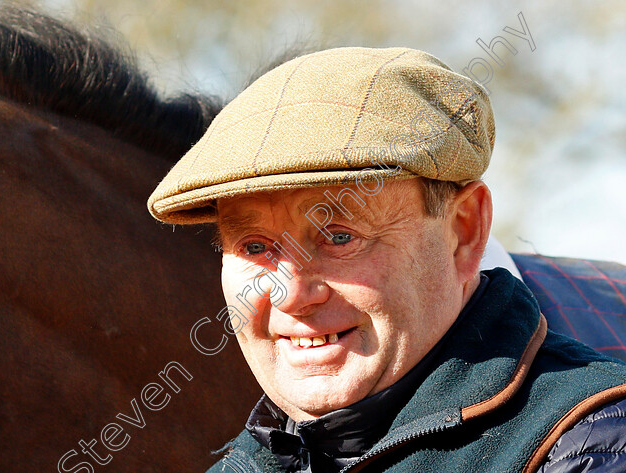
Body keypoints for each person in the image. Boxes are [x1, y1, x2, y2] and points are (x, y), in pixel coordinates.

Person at [147, 47, 626, 472]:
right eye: (255, 247)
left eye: (338, 236)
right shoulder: (250, 463)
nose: (291, 294)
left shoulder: (590, 445)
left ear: (463, 231)